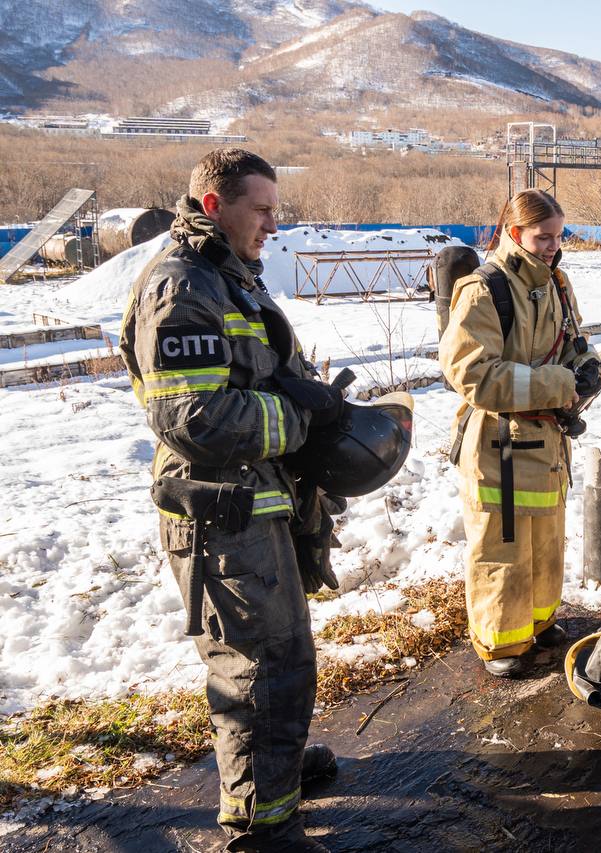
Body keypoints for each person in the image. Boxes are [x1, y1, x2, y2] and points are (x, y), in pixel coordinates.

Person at [120, 148, 344, 851]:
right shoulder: (181, 287)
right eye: (263, 208)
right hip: (219, 516)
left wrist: (314, 400)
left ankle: (270, 770)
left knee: (285, 658)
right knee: (255, 669)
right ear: (215, 205)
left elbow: (263, 376)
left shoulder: (232, 277)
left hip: (258, 504)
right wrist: (300, 421)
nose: (275, 223)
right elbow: (194, 418)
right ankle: (259, 822)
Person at [440, 189, 601, 677]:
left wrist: (588, 368)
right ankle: (502, 644)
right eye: (544, 237)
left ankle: (539, 620)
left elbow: (572, 340)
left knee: (546, 546)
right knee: (502, 552)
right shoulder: (483, 290)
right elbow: (470, 373)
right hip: (499, 450)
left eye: (559, 235)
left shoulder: (557, 282)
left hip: (548, 445)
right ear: (515, 234)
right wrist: (558, 384)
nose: (554, 245)